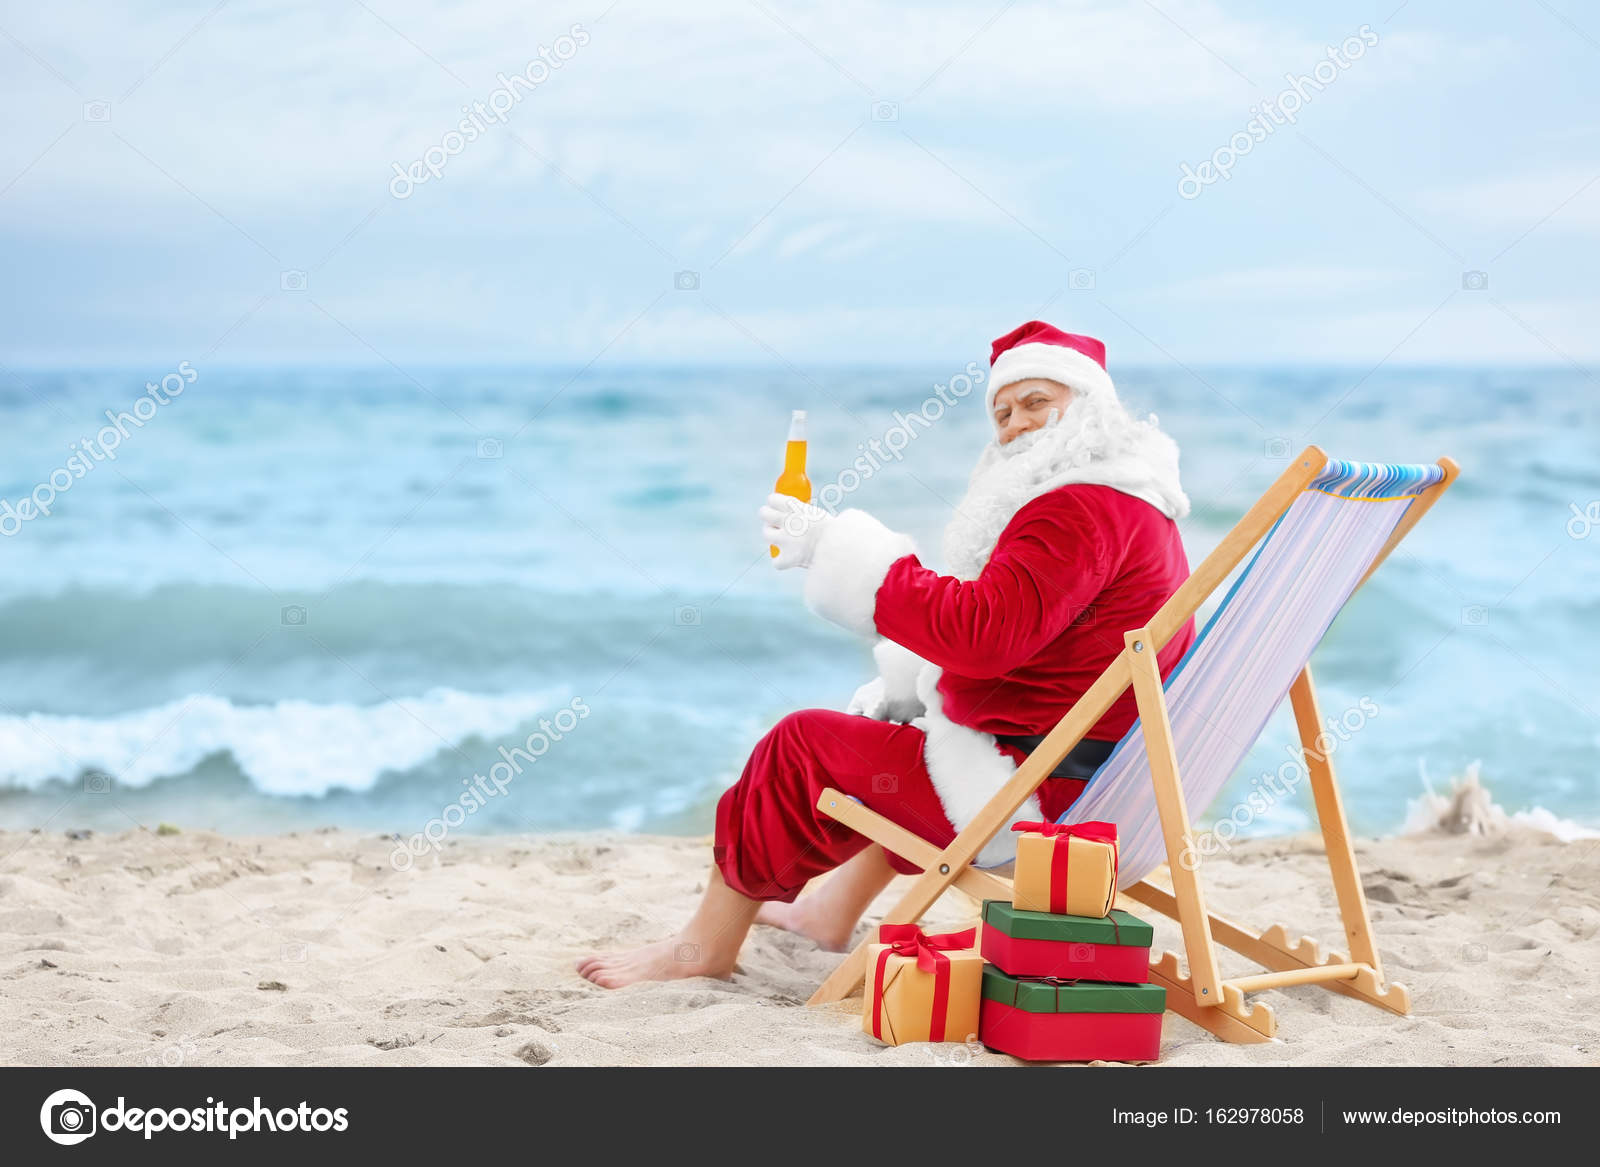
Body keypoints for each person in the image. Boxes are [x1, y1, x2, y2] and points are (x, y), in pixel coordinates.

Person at [577, 321, 1195, 988]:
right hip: (1103, 785)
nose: (1015, 425)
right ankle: (827, 911)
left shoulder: (1078, 507)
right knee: (896, 726)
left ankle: (702, 947)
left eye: (1038, 402)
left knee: (799, 747)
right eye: (1003, 411)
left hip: (1041, 802)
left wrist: (842, 553)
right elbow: (1025, 635)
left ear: (1090, 404)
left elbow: (984, 634)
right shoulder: (1134, 505)